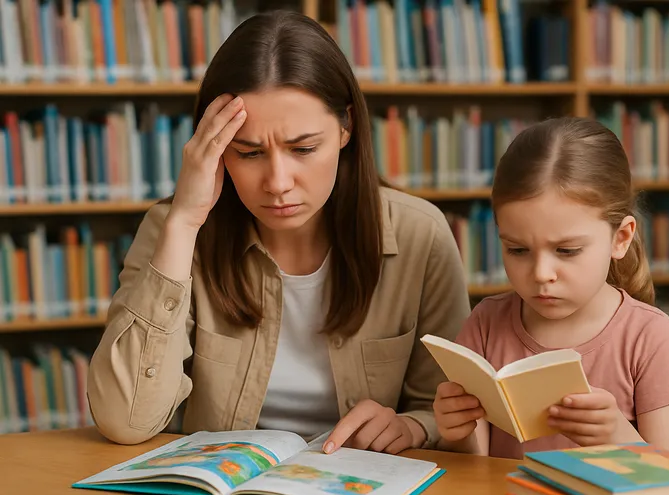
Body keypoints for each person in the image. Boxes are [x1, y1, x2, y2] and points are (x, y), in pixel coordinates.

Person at [87, 10, 471, 455]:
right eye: (247, 153)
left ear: (346, 127)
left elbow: (452, 411)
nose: (278, 182)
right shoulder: (176, 231)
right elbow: (124, 420)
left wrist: (414, 427)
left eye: (303, 148)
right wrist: (184, 222)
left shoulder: (420, 234)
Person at [432, 117, 669, 459]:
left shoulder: (650, 337)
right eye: (517, 250)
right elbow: (473, 469)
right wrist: (457, 432)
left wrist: (620, 436)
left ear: (620, 238)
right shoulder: (484, 324)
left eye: (567, 251)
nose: (542, 273)